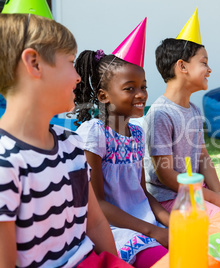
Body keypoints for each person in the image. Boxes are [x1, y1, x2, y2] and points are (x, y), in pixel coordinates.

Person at [0, 13, 129, 267]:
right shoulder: (6, 163)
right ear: (34, 63)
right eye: (70, 62)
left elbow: (96, 222)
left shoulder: (71, 144)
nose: (78, 76)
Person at [72, 40, 169, 266]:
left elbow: (142, 193)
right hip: (115, 231)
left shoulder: (136, 133)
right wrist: (154, 232)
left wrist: (171, 223)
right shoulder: (94, 134)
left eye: (143, 86)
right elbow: (96, 204)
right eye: (129, 88)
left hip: (147, 224)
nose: (141, 94)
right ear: (104, 95)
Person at [144, 10, 220, 217]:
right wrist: (215, 199)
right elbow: (166, 175)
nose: (209, 69)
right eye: (204, 62)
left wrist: (218, 192)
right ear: (182, 66)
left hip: (198, 192)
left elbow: (203, 158)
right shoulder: (160, 114)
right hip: (172, 198)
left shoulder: (195, 111)